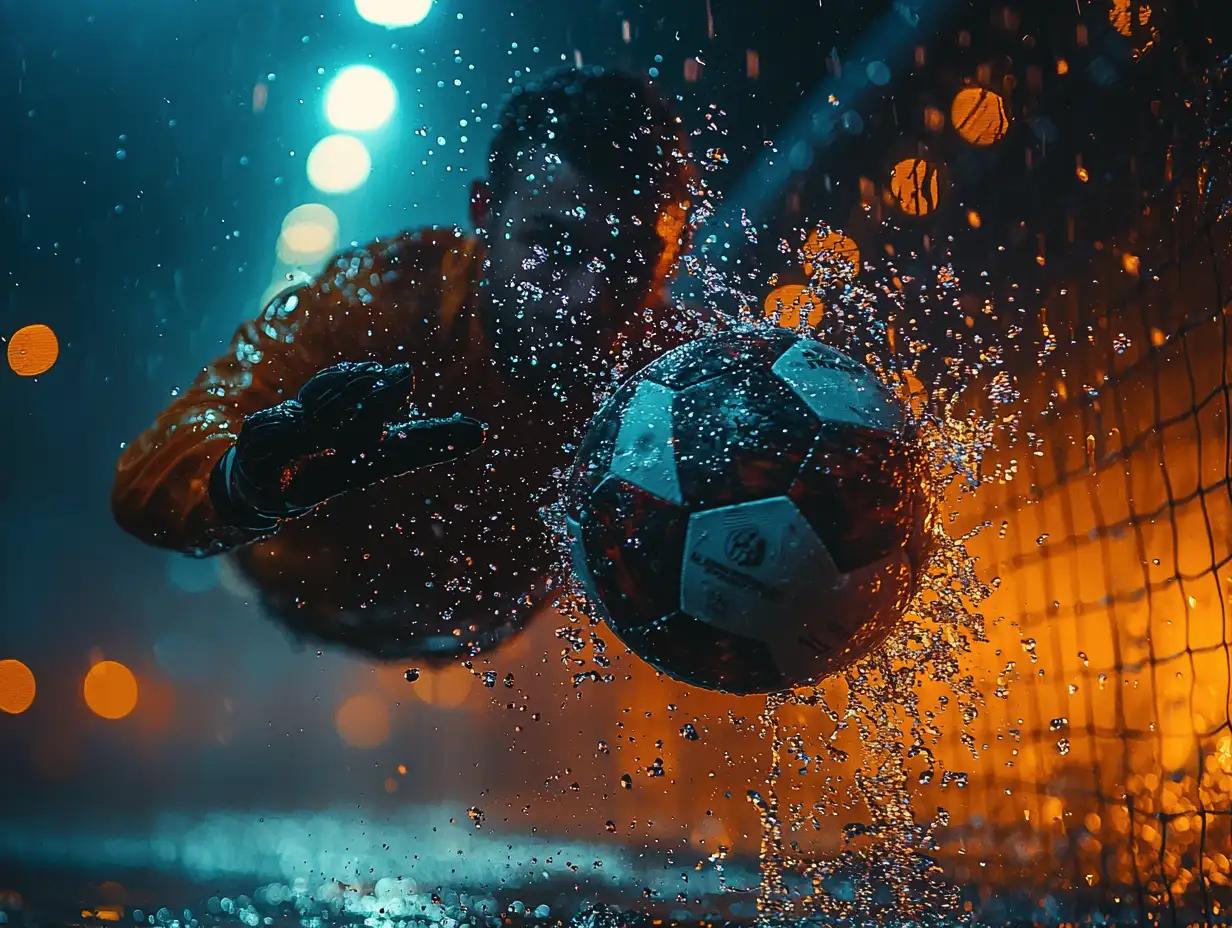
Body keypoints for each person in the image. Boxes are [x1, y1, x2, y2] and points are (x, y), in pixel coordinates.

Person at [111, 67, 696, 661]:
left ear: (671, 254)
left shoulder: (670, 367)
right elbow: (145, 474)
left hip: (478, 632)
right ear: (484, 213)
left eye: (626, 258)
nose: (586, 296)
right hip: (295, 592)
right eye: (550, 245)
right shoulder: (378, 305)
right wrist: (245, 484)